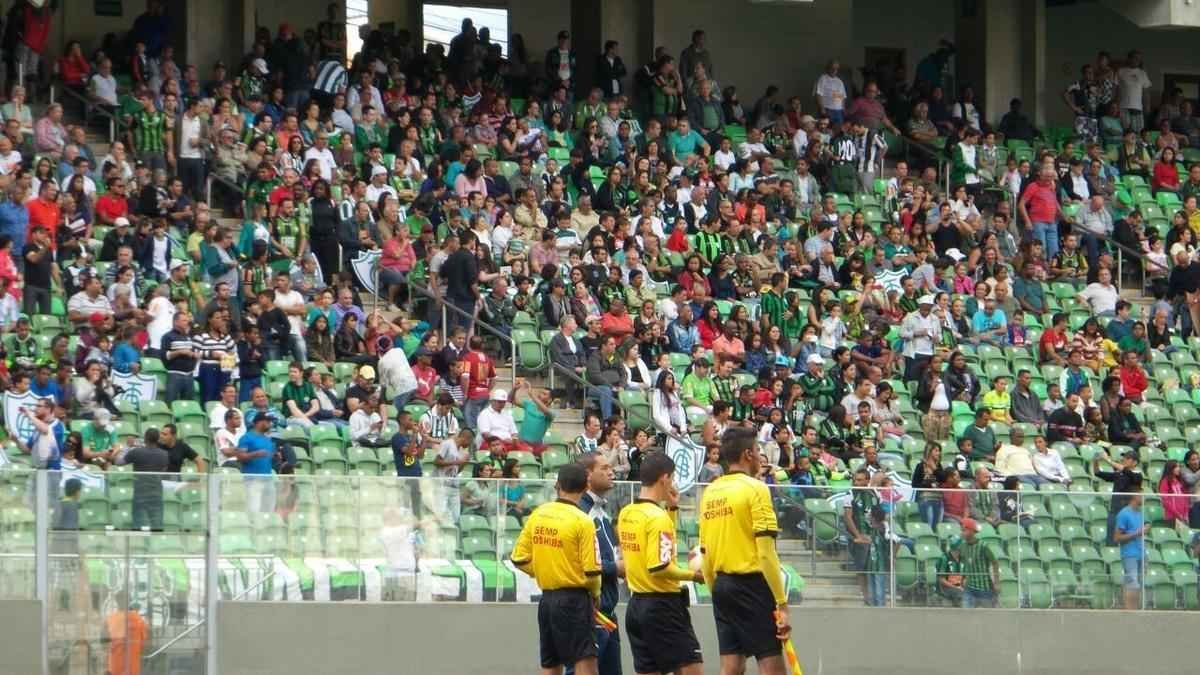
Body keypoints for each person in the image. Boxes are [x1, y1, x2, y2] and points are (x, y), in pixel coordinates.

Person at [698, 427, 791, 675]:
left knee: (731, 666)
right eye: (759, 450)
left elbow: (704, 552)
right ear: (748, 454)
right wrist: (781, 603)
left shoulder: (710, 492)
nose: (761, 456)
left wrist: (715, 589)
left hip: (721, 586)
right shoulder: (756, 489)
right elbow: (766, 553)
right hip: (752, 587)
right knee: (771, 664)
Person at [617, 452, 705, 675]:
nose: (673, 483)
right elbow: (660, 567)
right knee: (691, 669)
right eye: (673, 478)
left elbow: (656, 548)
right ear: (664, 478)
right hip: (663, 606)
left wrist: (672, 509)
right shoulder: (657, 518)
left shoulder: (627, 513)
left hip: (636, 605)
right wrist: (695, 576)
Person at [509, 462, 602, 675]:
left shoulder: (539, 514)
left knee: (551, 664)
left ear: (557, 485)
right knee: (585, 662)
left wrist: (544, 569)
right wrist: (596, 595)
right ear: (586, 487)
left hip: (547, 600)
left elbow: (518, 557)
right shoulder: (583, 521)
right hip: (575, 600)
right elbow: (592, 572)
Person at [577, 452, 622, 675]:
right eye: (604, 468)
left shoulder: (603, 513)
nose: (611, 471)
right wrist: (616, 568)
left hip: (608, 612)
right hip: (591, 612)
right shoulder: (580, 514)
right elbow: (577, 563)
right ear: (588, 475)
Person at [117, 428, 169, 531]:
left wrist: (127, 447)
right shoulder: (164, 454)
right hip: (156, 493)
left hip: (141, 493)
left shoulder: (136, 452)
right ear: (158, 439)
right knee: (157, 528)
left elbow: (119, 462)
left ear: (145, 439)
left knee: (139, 528)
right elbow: (164, 470)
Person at [236, 411, 278, 513]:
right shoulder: (246, 437)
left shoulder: (268, 439)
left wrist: (275, 456)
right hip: (252, 480)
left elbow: (267, 459)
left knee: (269, 510)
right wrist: (254, 454)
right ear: (259, 422)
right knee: (253, 510)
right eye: (268, 421)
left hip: (268, 479)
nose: (270, 424)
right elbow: (240, 457)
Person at [1114, 488, 1148, 610]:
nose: (1144, 497)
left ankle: (1136, 610)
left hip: (1142, 552)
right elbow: (1117, 537)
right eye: (1141, 494)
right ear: (1134, 495)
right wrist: (1136, 533)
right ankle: (1129, 612)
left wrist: (1146, 528)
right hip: (1130, 554)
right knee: (1132, 582)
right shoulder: (1124, 514)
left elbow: (1146, 526)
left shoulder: (1141, 512)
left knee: (1139, 583)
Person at [957, 518, 1000, 608]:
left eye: (964, 530)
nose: (962, 533)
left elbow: (995, 563)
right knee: (966, 614)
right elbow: (963, 564)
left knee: (987, 617)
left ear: (973, 531)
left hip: (984, 588)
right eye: (962, 530)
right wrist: (962, 579)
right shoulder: (962, 546)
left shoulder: (983, 546)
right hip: (969, 588)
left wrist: (996, 583)